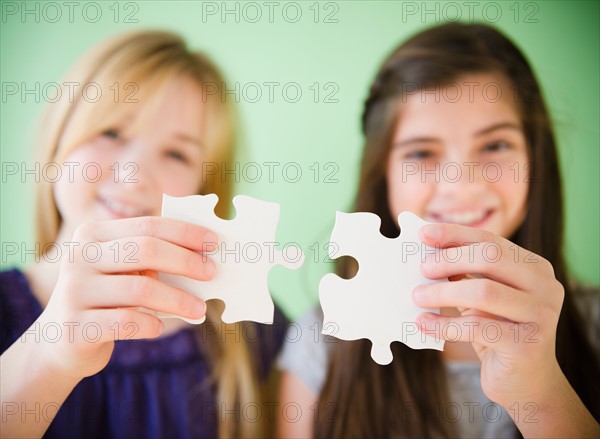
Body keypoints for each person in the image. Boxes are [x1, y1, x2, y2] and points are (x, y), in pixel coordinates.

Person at [277, 23, 600, 438]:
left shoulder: (593, 328)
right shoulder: (322, 344)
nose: (460, 184)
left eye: (494, 145)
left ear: (536, 159)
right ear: (383, 174)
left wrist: (540, 395)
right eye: (422, 153)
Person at [1, 30, 287, 439]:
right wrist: (47, 354)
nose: (133, 176)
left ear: (204, 191)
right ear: (59, 137)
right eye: (112, 132)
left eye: (176, 154)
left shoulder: (249, 330)